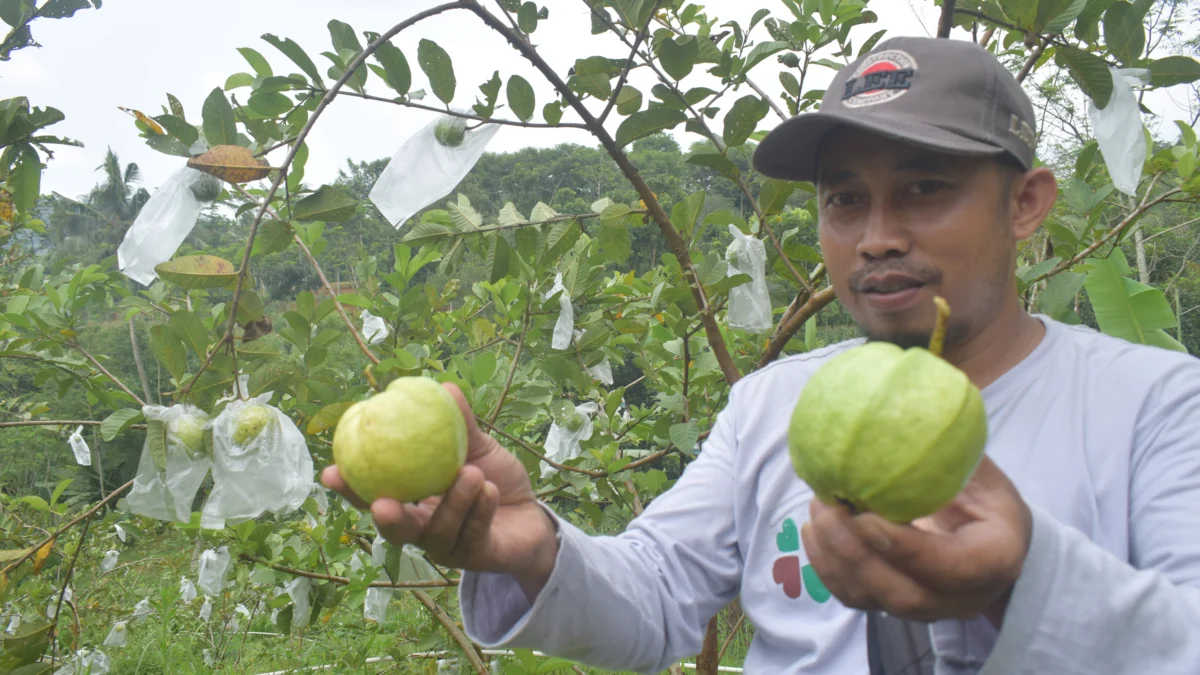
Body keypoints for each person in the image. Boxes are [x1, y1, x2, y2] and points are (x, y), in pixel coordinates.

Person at [322, 35, 1200, 674]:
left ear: (1028, 203)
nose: (877, 237)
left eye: (925, 189)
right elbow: (658, 597)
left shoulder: (1159, 404)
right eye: (845, 200)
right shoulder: (771, 406)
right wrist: (530, 548)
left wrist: (1022, 580)